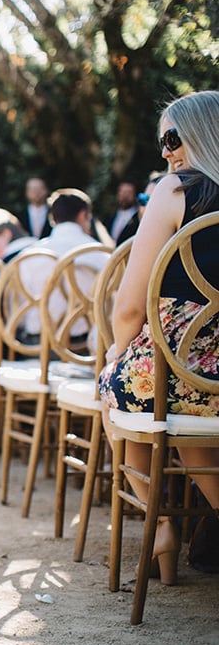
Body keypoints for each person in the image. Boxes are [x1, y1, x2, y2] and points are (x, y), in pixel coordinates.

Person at [99, 90, 219, 585]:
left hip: (181, 368)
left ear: (202, 134)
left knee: (115, 387)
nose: (166, 151)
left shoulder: (176, 191)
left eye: (172, 138)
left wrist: (115, 351)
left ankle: (160, 525)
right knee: (185, 416)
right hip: (208, 380)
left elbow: (129, 306)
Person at [15, 189, 110, 344]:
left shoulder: (29, 254)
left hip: (37, 342)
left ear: (51, 218)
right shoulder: (100, 254)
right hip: (84, 344)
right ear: (83, 215)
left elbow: (16, 304)